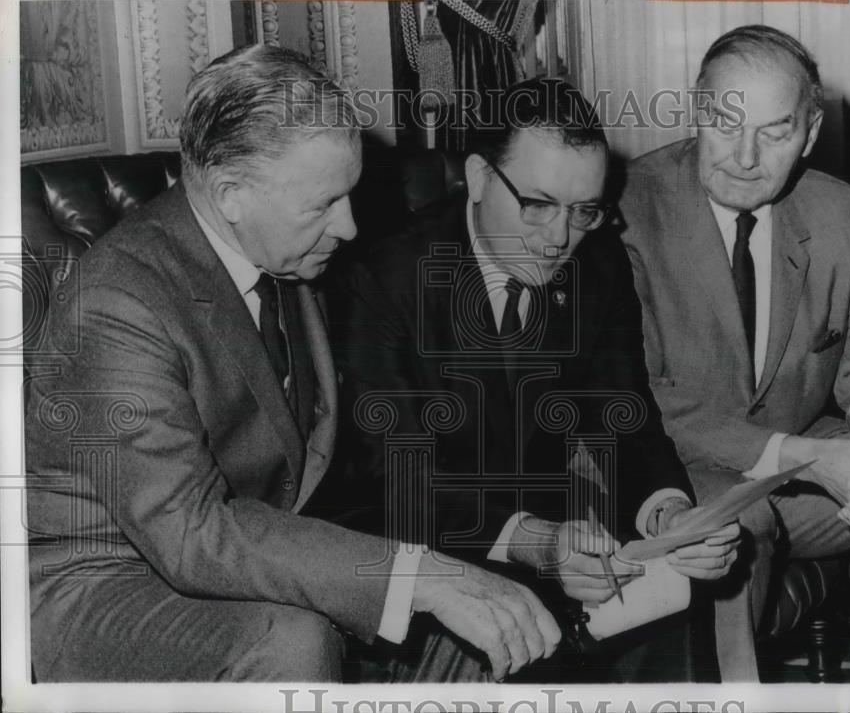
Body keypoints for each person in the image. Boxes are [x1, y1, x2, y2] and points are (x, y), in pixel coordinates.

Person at [24, 44, 562, 683]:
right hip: (103, 581)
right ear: (231, 195)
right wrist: (418, 575)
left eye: (349, 196)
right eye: (323, 205)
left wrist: (496, 544)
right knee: (293, 639)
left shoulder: (284, 258)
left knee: (471, 625)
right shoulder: (118, 300)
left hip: (230, 552)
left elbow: (349, 460)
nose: (351, 227)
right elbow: (192, 533)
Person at [318, 78, 740, 681]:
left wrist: (669, 515)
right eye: (537, 205)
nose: (558, 238)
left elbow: (625, 417)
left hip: (547, 527)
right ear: (481, 178)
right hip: (415, 539)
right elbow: (397, 473)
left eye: (583, 211)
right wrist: (533, 541)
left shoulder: (596, 259)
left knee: (671, 597)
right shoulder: (384, 277)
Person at [620, 24, 850, 682]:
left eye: (775, 133)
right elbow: (646, 397)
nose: (744, 156)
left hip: (803, 471)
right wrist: (811, 458)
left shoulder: (839, 213)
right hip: (674, 467)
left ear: (808, 135)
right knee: (731, 526)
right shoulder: (630, 210)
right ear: (697, 108)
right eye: (724, 123)